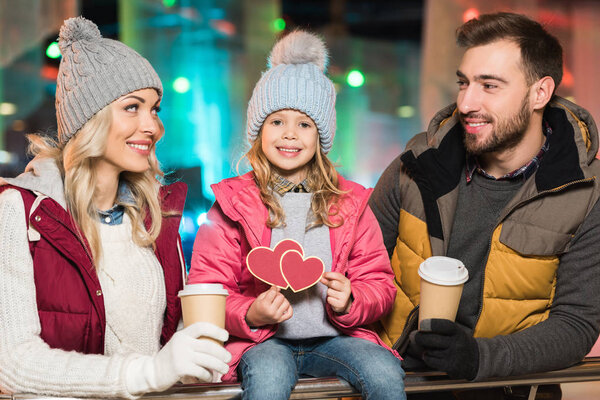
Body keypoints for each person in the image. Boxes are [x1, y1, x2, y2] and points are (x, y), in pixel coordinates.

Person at [370, 11, 600, 399]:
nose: (466, 102)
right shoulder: (414, 167)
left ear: (540, 93)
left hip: (507, 389)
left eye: (489, 86)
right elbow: (358, 271)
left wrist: (480, 358)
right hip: (396, 382)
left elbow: (576, 324)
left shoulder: (587, 193)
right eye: (464, 83)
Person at [0, 16, 231, 398]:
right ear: (89, 119)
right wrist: (148, 372)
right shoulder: (20, 213)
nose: (152, 126)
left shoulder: (155, 218)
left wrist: (192, 361)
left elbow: (168, 350)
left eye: (154, 109)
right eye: (132, 107)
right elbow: (12, 364)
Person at [187, 30, 406, 400]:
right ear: (258, 131)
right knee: (269, 378)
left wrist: (353, 300)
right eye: (277, 122)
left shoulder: (349, 203)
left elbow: (381, 285)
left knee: (384, 372)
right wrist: (251, 313)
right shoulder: (232, 203)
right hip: (263, 342)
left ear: (320, 135)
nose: (290, 135)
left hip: (335, 338)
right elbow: (207, 288)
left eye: (304, 124)